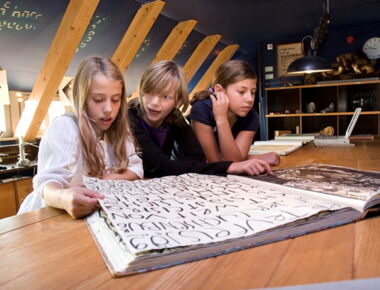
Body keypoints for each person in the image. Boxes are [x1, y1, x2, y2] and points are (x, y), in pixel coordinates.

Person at [18, 56, 143, 218]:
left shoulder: (119, 129)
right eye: (98, 100)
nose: (108, 109)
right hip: (49, 216)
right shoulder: (66, 127)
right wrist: (64, 197)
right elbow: (47, 183)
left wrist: (104, 181)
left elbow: (136, 168)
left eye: (115, 100)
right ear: (81, 98)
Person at [128, 60, 272, 178]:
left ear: (177, 101)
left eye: (165, 97)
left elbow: (197, 158)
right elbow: (159, 165)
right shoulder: (129, 118)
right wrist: (231, 165)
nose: (154, 103)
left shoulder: (175, 117)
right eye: (148, 93)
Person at [188, 59, 279, 165]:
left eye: (253, 92)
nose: (250, 99)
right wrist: (221, 118)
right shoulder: (201, 109)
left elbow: (235, 161)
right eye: (241, 92)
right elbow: (216, 163)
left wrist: (243, 158)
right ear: (219, 90)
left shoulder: (251, 116)